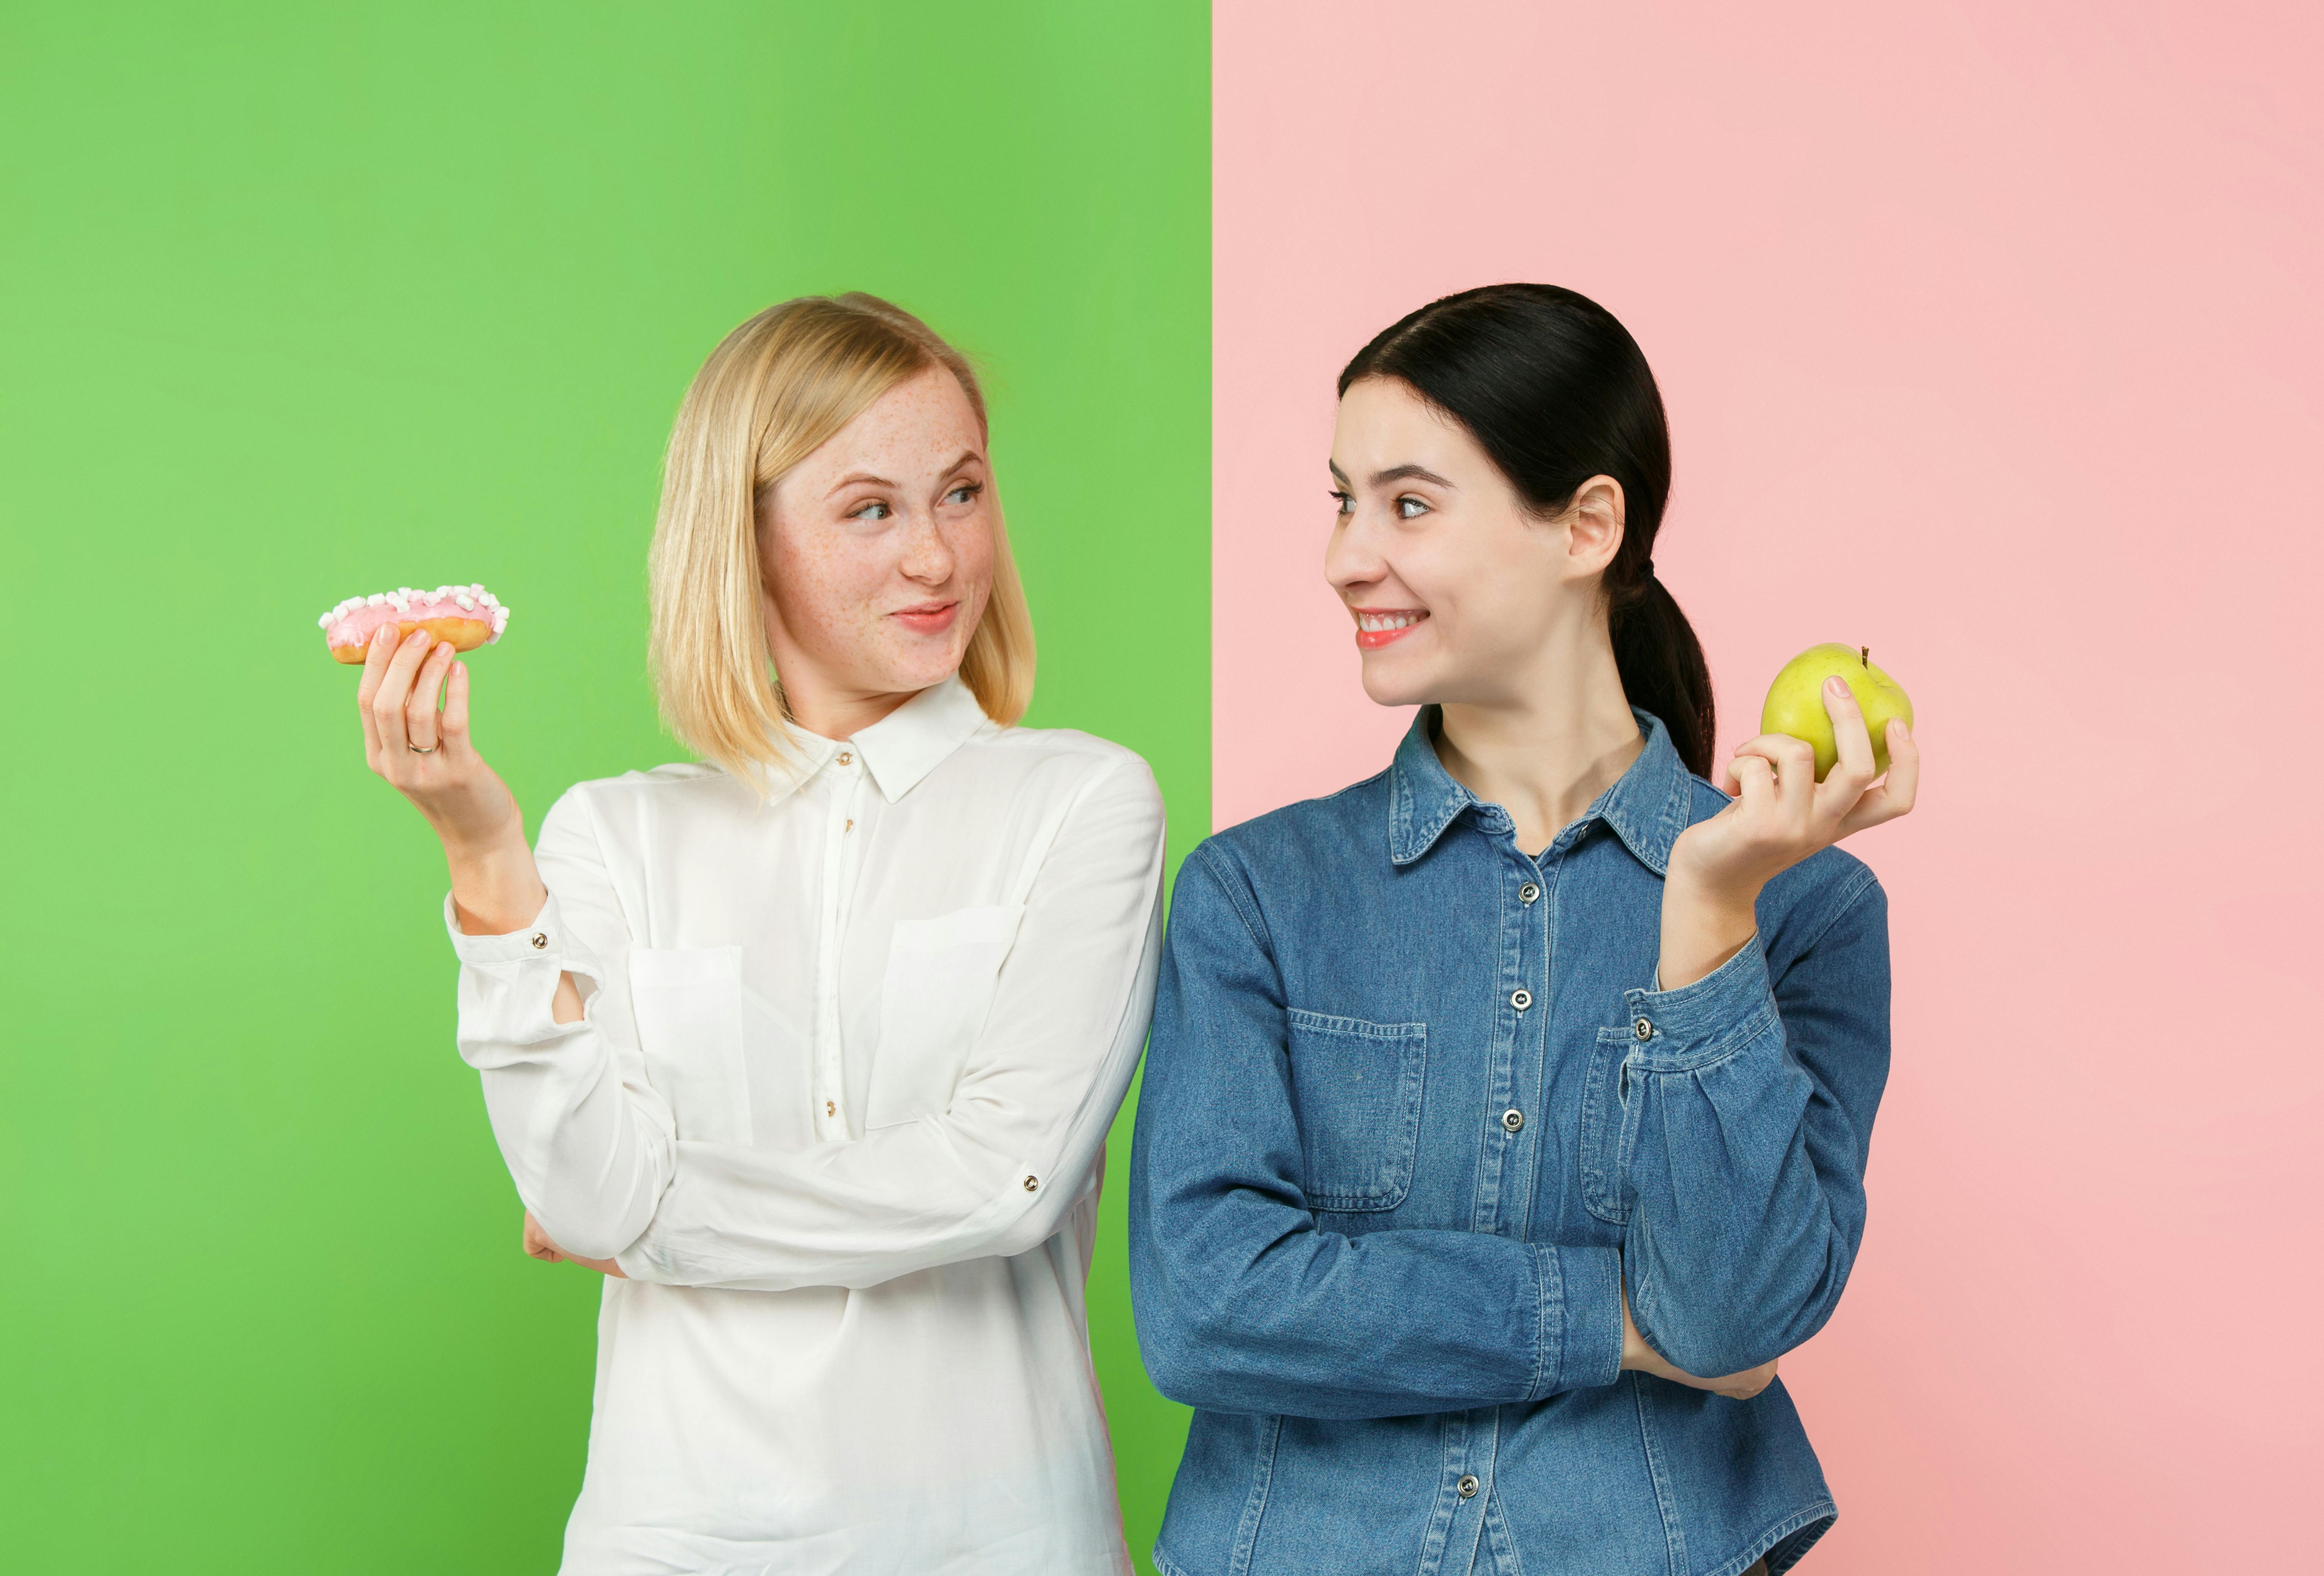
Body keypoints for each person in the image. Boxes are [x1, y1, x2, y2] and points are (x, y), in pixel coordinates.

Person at [355, 293, 1165, 1574]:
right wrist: (481, 856)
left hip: (1003, 1541)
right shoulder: (609, 837)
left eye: (961, 493)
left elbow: (1007, 1181)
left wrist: (650, 1213)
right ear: (746, 542)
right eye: (870, 509)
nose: (939, 559)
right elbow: (578, 1189)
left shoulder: (1081, 802)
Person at [1129, 283, 1917, 1576]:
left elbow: (1729, 1318)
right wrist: (1610, 1316)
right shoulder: (1256, 895)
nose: (1344, 557)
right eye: (1342, 500)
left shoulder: (1808, 912)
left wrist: (1712, 917)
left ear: (1586, 526)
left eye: (1409, 503)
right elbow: (1207, 1311)